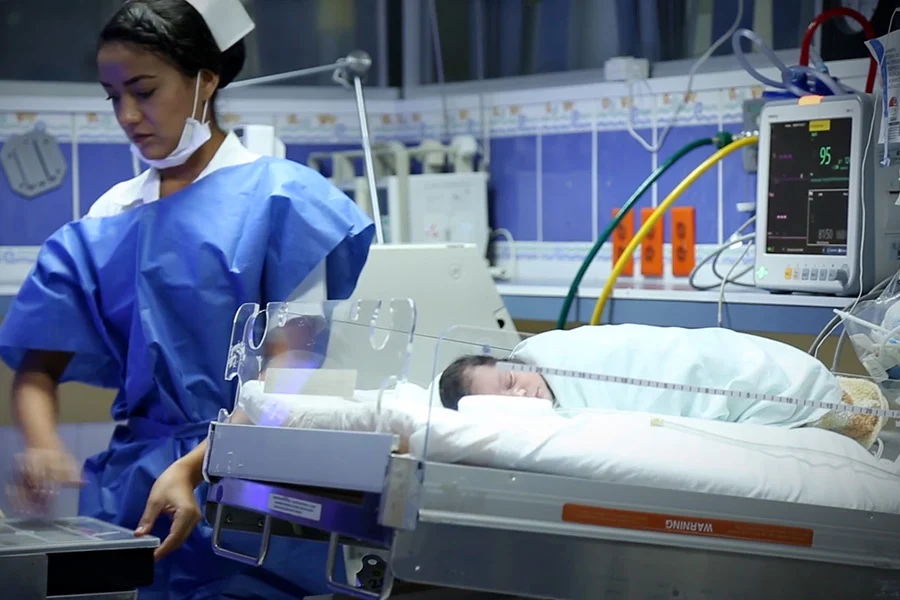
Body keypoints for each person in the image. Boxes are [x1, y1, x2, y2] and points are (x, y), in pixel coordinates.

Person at [0, 0, 373, 598]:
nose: (127, 114)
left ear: (206, 79)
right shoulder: (111, 217)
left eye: (143, 91)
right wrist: (42, 445)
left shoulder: (283, 201)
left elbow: (290, 373)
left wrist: (198, 464)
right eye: (112, 95)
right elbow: (38, 364)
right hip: (135, 491)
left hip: (252, 483)